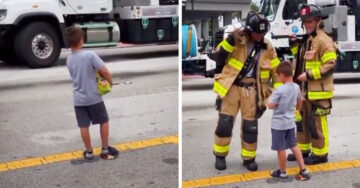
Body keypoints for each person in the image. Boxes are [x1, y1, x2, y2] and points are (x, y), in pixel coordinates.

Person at [212, 11, 282, 171]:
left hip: (252, 91)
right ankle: (220, 155)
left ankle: (249, 158)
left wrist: (278, 95)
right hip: (232, 88)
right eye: (257, 33)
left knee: (251, 127)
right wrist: (231, 39)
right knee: (224, 124)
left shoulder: (268, 46)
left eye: (262, 33)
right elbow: (218, 55)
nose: (259, 36)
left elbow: (276, 71)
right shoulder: (237, 40)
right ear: (249, 30)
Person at [287, 4, 337, 165]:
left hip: (318, 92)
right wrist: (294, 45)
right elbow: (301, 61)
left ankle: (321, 154)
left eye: (310, 21)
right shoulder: (307, 39)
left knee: (316, 124)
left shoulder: (323, 40)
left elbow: (330, 64)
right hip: (303, 92)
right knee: (301, 123)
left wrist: (309, 75)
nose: (307, 24)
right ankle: (303, 151)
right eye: (305, 22)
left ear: (317, 21)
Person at [65, 26, 119, 160]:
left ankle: (89, 152)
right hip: (94, 97)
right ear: (81, 40)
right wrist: (110, 82)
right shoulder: (89, 55)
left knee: (83, 125)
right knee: (104, 121)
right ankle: (105, 149)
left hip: (78, 99)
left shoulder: (69, 59)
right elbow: (104, 71)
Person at [267, 61, 310, 181]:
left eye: (278, 76)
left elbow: (270, 105)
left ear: (281, 75)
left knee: (281, 148)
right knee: (294, 145)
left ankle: (282, 172)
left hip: (278, 125)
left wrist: (269, 99)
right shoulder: (296, 87)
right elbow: (300, 100)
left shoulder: (279, 90)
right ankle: (303, 169)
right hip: (291, 123)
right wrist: (297, 110)